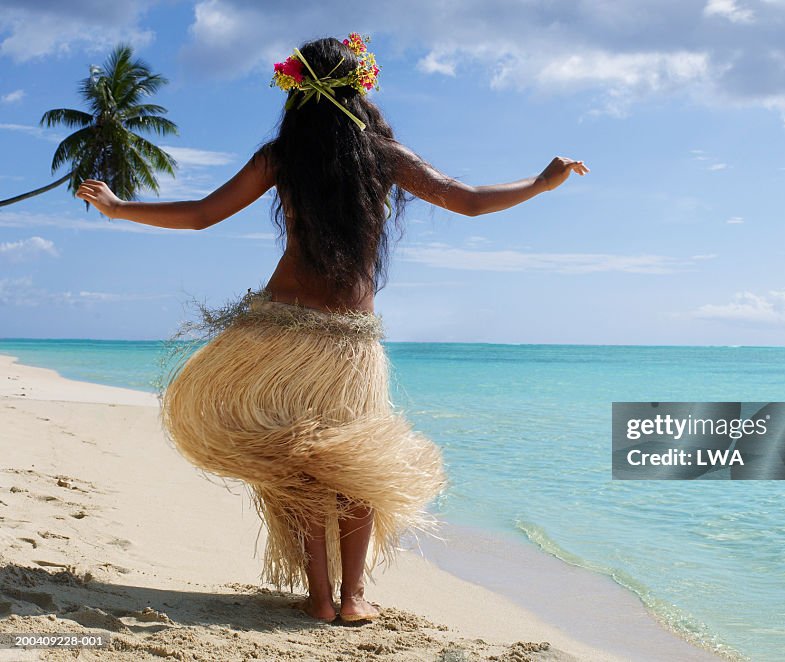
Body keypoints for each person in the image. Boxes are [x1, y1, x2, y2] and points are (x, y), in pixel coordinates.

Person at [74, 34, 588, 625]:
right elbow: (468, 201)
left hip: (274, 333)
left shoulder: (281, 156)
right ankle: (351, 597)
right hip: (346, 342)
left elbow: (199, 216)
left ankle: (320, 597)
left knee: (294, 463)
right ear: (360, 89)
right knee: (354, 465)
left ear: (297, 92)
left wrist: (119, 207)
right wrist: (542, 183)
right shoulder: (384, 157)